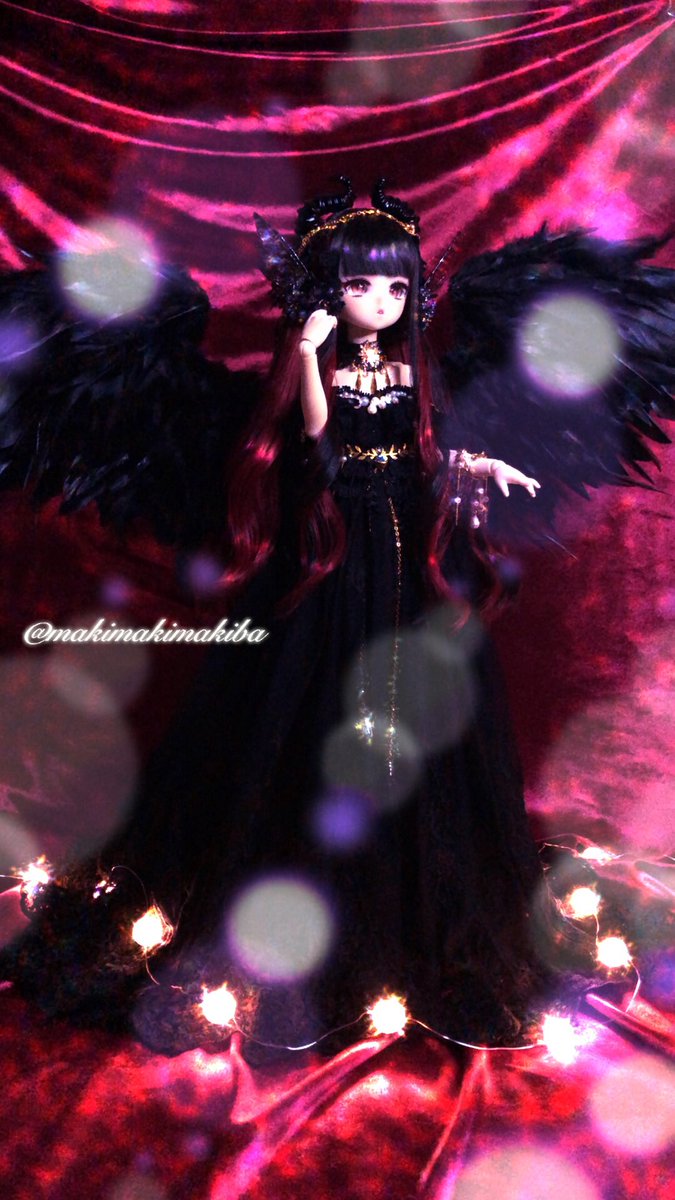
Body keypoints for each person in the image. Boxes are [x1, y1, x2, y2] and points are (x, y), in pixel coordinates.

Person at [5, 178, 670, 1060]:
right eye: (360, 285)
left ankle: (406, 889)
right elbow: (317, 444)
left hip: (411, 573)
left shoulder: (414, 371)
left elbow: (431, 450)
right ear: (327, 290)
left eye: (395, 286)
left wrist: (479, 468)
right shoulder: (316, 367)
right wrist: (310, 356)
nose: (380, 302)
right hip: (326, 566)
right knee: (301, 720)